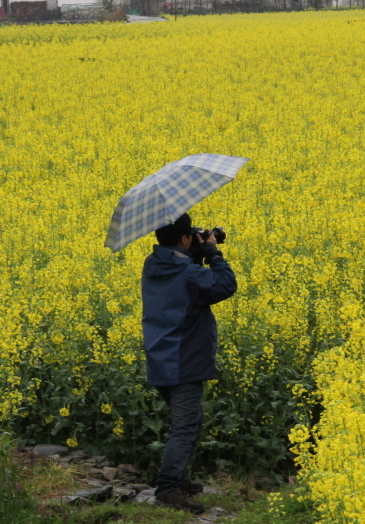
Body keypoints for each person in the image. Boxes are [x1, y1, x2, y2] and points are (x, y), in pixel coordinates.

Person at [141, 212, 237, 514]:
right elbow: (224, 285)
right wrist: (211, 251)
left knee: (187, 422)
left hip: (160, 357)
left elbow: (185, 282)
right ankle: (169, 488)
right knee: (184, 427)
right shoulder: (188, 273)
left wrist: (192, 254)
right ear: (184, 238)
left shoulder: (153, 264)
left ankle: (179, 479)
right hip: (183, 360)